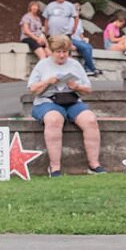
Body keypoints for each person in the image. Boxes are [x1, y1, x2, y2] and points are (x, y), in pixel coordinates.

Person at [29, 35, 105, 176]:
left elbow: (88, 89)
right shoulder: (42, 65)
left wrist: (75, 86)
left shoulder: (75, 65)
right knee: (54, 119)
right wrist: (48, 82)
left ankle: (94, 164)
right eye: (58, 51)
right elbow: (32, 89)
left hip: (72, 100)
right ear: (51, 51)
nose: (62, 55)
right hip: (47, 101)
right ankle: (55, 167)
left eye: (65, 51)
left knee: (90, 120)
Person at [43, 0, 100, 75]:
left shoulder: (69, 5)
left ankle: (72, 71)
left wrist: (74, 28)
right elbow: (46, 19)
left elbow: (76, 17)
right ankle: (53, 71)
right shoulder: (50, 5)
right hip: (53, 35)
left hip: (66, 34)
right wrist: (46, 32)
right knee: (55, 52)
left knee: (66, 52)